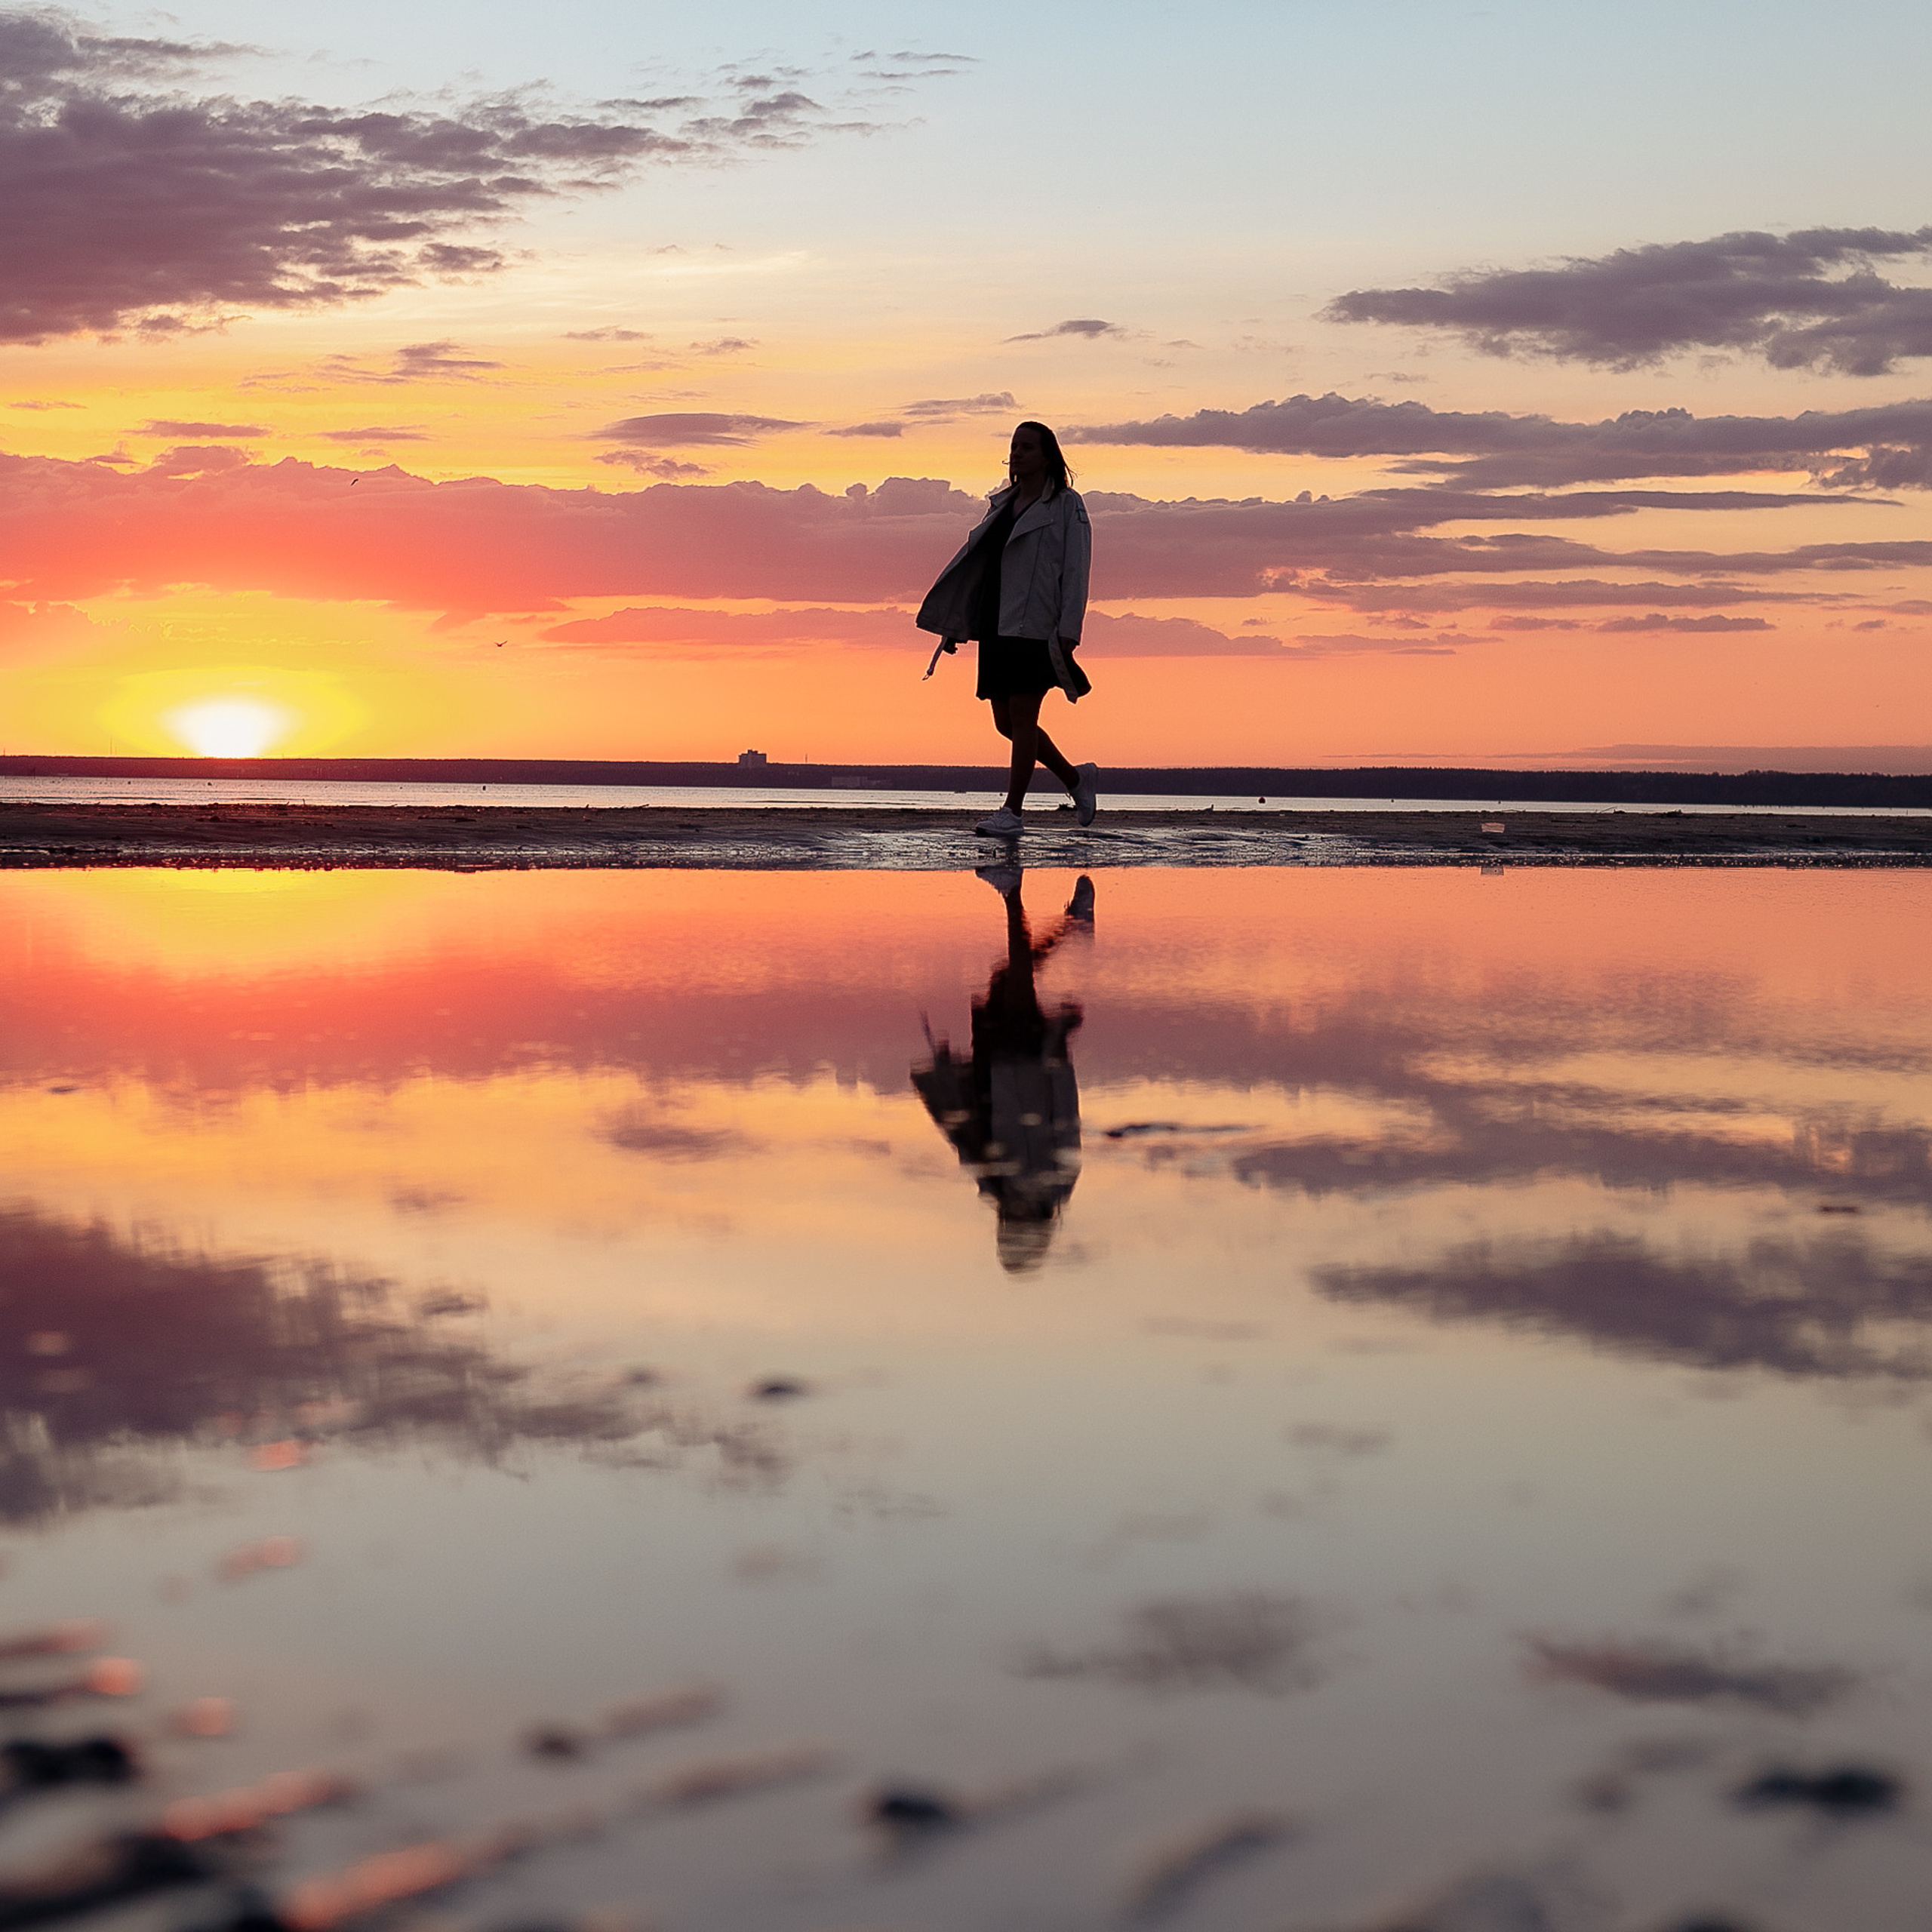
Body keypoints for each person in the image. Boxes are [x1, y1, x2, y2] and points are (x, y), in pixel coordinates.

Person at [916, 421, 1099, 837]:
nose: (1017, 454)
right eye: (1014, 447)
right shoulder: (1001, 504)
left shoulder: (1067, 506)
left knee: (1022, 717)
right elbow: (979, 570)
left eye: (1027, 447)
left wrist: (1069, 627)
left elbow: (1077, 570)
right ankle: (1075, 779)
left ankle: (1012, 813)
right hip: (996, 623)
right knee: (1006, 723)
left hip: (1036, 626)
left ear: (1047, 455)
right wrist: (955, 623)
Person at [913, 867, 1093, 1272]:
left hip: (994, 1064)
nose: (1008, 1228)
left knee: (1006, 976)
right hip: (1028, 1057)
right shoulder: (1056, 1182)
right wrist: (1057, 1046)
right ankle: (1013, 892)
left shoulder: (993, 1186)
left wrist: (945, 1076)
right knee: (1015, 972)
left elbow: (962, 1127)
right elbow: (1064, 1114)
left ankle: (1071, 921)